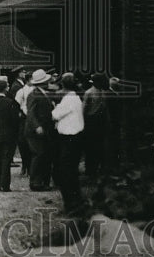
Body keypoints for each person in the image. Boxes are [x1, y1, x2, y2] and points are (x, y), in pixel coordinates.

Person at [51, 73, 85, 214]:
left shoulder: (68, 99)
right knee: (71, 171)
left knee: (66, 172)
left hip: (69, 138)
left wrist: (54, 107)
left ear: (63, 86)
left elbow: (55, 115)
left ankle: (71, 204)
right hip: (75, 137)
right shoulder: (75, 97)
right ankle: (75, 202)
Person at [25, 70, 55, 191]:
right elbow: (31, 113)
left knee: (45, 155)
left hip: (44, 129)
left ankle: (43, 181)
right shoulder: (33, 95)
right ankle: (35, 182)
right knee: (39, 154)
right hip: (35, 131)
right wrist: (37, 126)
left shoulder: (44, 93)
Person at [83, 73, 111, 178]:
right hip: (91, 121)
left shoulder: (103, 92)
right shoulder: (89, 93)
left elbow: (105, 108)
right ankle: (90, 170)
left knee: (101, 146)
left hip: (101, 121)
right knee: (90, 146)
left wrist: (107, 120)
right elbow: (84, 109)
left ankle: (100, 168)